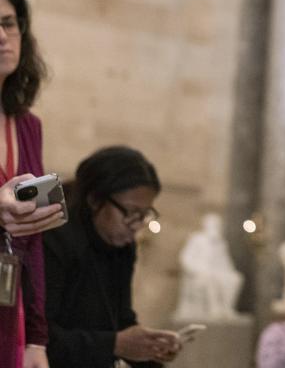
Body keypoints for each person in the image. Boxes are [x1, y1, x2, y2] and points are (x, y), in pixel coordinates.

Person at [43, 146, 182, 367]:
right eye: (130, 212)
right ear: (96, 200)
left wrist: (151, 348)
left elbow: (119, 319)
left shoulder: (123, 246)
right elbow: (37, 338)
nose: (136, 225)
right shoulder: (55, 239)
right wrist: (114, 345)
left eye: (144, 214)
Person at [0, 0, 62, 368]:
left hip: (8, 304)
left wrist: (37, 338)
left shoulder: (28, 126)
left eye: (8, 23)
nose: (1, 36)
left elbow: (35, 240)